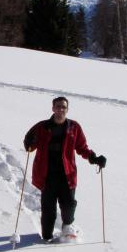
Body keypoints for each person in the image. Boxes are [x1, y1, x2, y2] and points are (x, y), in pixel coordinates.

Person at [23, 96, 106, 242]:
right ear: (53, 108)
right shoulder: (42, 127)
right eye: (58, 106)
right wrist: (29, 143)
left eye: (63, 107)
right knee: (48, 211)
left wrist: (94, 158)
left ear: (67, 110)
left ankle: (67, 228)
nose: (61, 109)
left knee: (69, 206)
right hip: (46, 175)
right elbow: (30, 145)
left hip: (67, 175)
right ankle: (46, 237)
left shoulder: (73, 127)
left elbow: (81, 147)